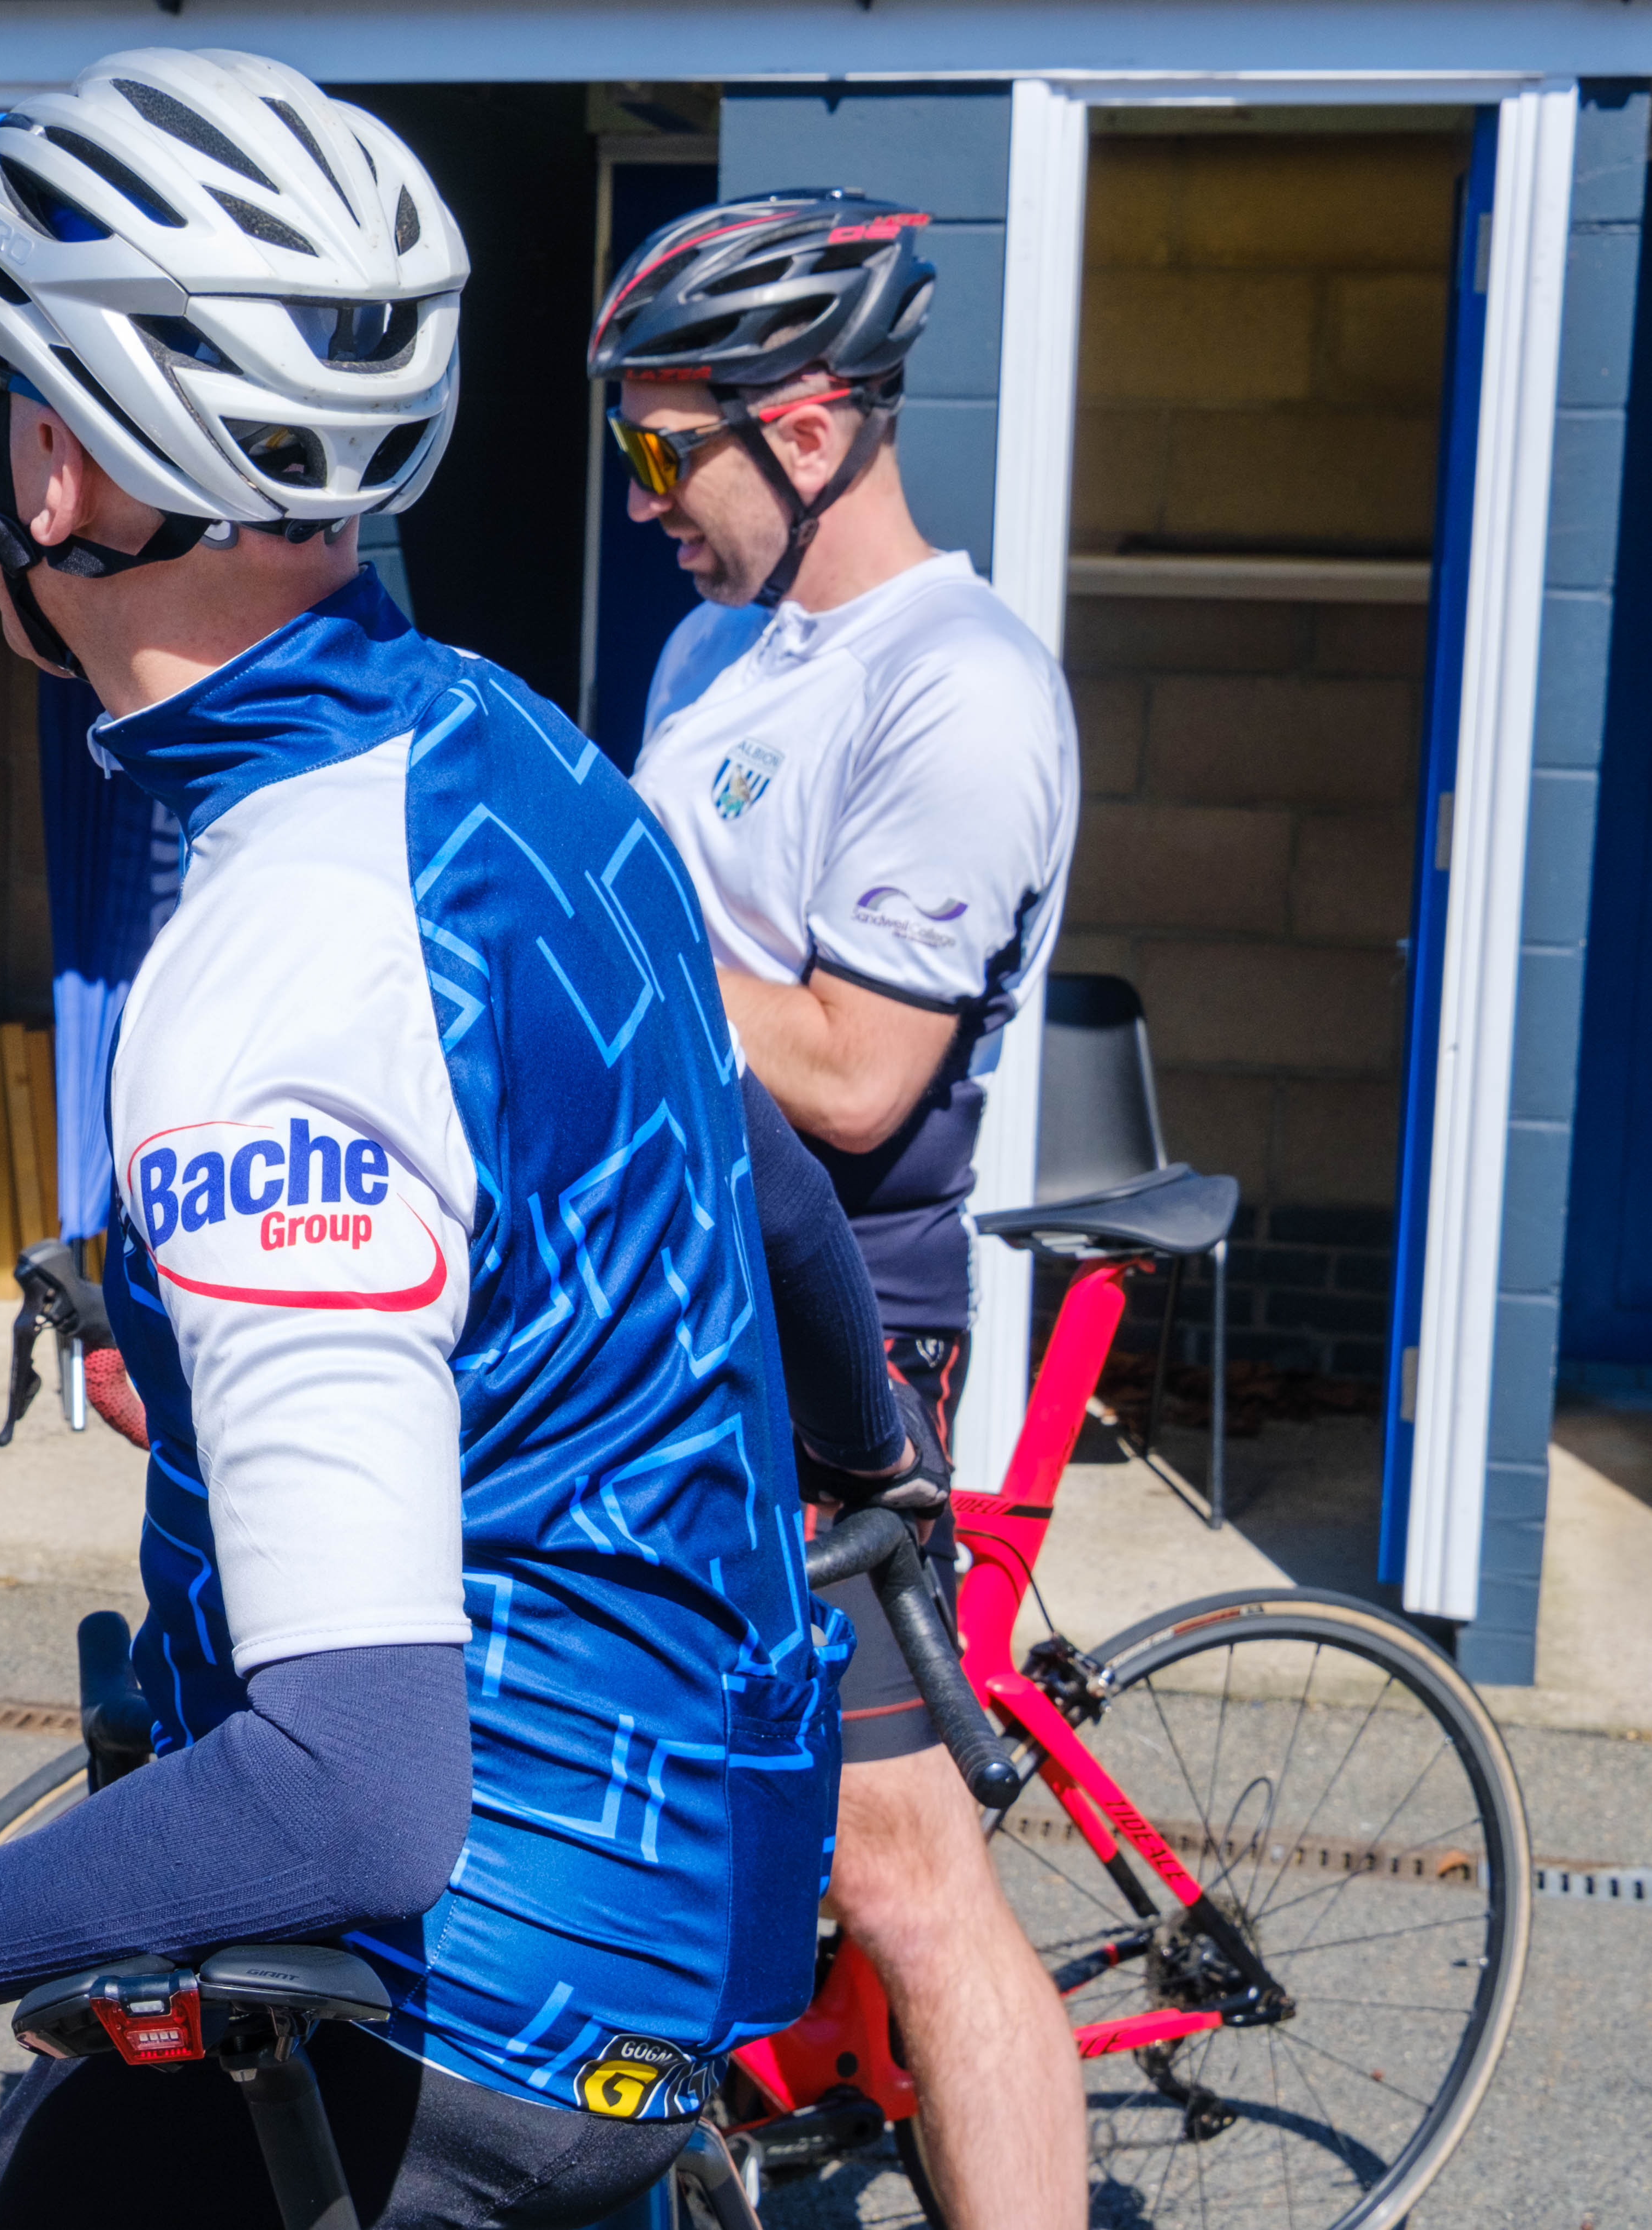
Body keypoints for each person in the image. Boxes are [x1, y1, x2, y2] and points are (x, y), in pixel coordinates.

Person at [0, 55, 935, 2229]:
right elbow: (757, 1179)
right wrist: (860, 1453)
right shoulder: (520, 754)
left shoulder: (282, 948)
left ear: (53, 467)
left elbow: (350, 1787)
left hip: (434, 2021)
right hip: (655, 1985)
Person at [592, 192, 1088, 2227]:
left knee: (901, 1871)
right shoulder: (725, 647)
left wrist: (589, 926)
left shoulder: (959, 689)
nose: (642, 509)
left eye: (658, 450)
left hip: (836, 1324)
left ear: (802, 433)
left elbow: (855, 1070)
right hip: (656, 1285)